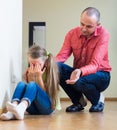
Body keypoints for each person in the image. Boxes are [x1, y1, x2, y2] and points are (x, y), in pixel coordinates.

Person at [56, 7, 111, 112]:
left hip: (101, 75)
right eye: (82, 24)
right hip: (79, 74)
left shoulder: (104, 34)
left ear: (98, 25)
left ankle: (99, 99)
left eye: (89, 26)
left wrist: (80, 71)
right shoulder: (72, 34)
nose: (84, 29)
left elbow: (95, 64)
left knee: (79, 80)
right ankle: (79, 101)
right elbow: (61, 56)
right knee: (56, 68)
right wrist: (46, 65)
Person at [0, 44, 59, 120]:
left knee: (32, 84)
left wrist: (38, 77)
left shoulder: (50, 72)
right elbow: (30, 92)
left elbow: (46, 94)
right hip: (33, 108)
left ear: (46, 62)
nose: (34, 67)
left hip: (48, 108)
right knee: (21, 84)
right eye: (31, 64)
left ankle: (21, 108)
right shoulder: (30, 71)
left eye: (38, 64)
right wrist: (30, 77)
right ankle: (13, 110)